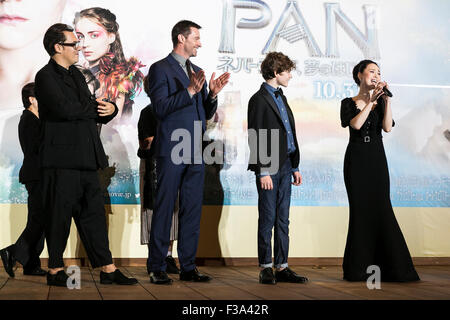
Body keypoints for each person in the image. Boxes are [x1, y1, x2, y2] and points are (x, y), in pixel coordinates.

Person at [34, 23, 137, 286]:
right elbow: (65, 109)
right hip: (61, 160)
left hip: (87, 157)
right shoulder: (45, 76)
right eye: (73, 43)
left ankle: (108, 269)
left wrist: (110, 109)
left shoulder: (78, 75)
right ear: (58, 47)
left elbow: (87, 106)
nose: (78, 47)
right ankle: (55, 270)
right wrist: (93, 108)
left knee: (94, 216)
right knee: (59, 217)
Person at [146, 20, 230, 284]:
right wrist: (191, 89)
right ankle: (157, 266)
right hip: (172, 147)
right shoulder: (160, 69)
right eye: (196, 38)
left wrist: (212, 95)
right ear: (181, 38)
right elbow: (160, 108)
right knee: (164, 207)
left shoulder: (198, 70)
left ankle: (188, 267)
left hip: (195, 148)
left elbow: (203, 113)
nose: (200, 43)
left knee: (193, 209)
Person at [340, 60, 420, 282]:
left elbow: (387, 127)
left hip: (377, 159)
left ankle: (394, 268)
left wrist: (384, 100)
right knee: (361, 212)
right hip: (356, 160)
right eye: (371, 71)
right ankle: (358, 270)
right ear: (359, 75)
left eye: (379, 72)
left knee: (382, 208)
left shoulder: (381, 100)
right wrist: (369, 102)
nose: (376, 75)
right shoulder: (348, 102)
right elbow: (355, 125)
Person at [247, 52, 308, 285]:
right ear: (275, 72)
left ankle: (282, 266)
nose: (290, 76)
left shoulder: (282, 97)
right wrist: (263, 170)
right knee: (268, 217)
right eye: (287, 71)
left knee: (283, 218)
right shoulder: (259, 99)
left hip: (286, 164)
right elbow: (256, 134)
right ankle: (265, 266)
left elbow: (289, 134)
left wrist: (295, 166)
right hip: (269, 166)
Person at [0, 83, 46, 278]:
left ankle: (31, 264)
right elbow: (35, 149)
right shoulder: (28, 120)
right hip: (35, 175)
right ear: (32, 99)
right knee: (39, 219)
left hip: (40, 174)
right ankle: (12, 251)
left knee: (40, 221)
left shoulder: (37, 118)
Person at [138, 75, 180, 275]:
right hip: (153, 165)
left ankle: (169, 255)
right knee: (152, 211)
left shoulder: (175, 112)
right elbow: (147, 142)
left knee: (173, 211)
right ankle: (155, 255)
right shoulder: (148, 112)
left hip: (173, 165)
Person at [74, 7, 144, 122]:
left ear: (111, 37)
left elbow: (114, 125)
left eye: (94, 35)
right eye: (80, 36)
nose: (84, 44)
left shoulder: (119, 77)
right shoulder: (77, 71)